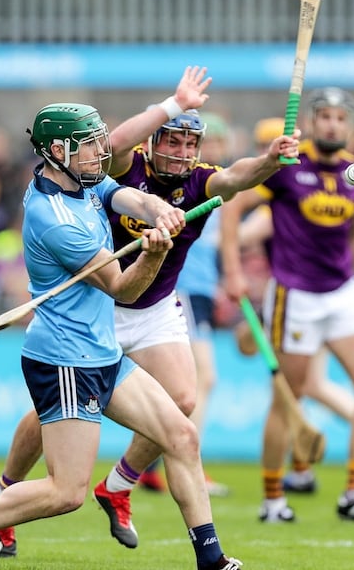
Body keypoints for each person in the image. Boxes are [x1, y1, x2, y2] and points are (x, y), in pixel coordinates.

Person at [0, 101, 243, 570]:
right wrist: (157, 253)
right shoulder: (56, 220)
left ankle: (212, 561)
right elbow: (122, 285)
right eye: (91, 145)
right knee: (66, 492)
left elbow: (126, 197)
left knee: (181, 435)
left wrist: (158, 208)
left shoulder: (85, 180)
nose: (103, 152)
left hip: (102, 352)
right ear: (58, 150)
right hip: (65, 360)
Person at [0, 68, 300, 558]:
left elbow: (240, 176)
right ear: (153, 144)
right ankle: (5, 492)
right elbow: (114, 140)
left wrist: (271, 161)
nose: (181, 151)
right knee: (49, 417)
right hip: (100, 306)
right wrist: (173, 105)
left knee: (183, 402)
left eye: (189, 144)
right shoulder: (118, 168)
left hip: (152, 308)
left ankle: (121, 484)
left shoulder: (200, 181)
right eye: (170, 140)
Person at [220, 87, 354, 524]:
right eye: (325, 117)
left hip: (343, 294)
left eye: (341, 118)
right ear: (313, 122)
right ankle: (273, 498)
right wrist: (233, 269)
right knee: (289, 400)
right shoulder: (286, 163)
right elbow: (232, 203)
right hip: (294, 295)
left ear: (349, 125)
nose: (333, 124)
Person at [232, 188, 354, 497]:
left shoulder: (276, 202)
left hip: (299, 299)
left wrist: (214, 223)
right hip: (310, 298)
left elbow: (243, 235)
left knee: (293, 391)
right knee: (310, 385)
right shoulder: (290, 196)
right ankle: (308, 469)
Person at [136, 111, 234, 497]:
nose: (216, 151)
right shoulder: (184, 185)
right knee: (201, 380)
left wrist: (226, 280)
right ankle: (182, 460)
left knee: (185, 386)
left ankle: (152, 463)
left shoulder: (211, 185)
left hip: (203, 290)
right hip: (182, 291)